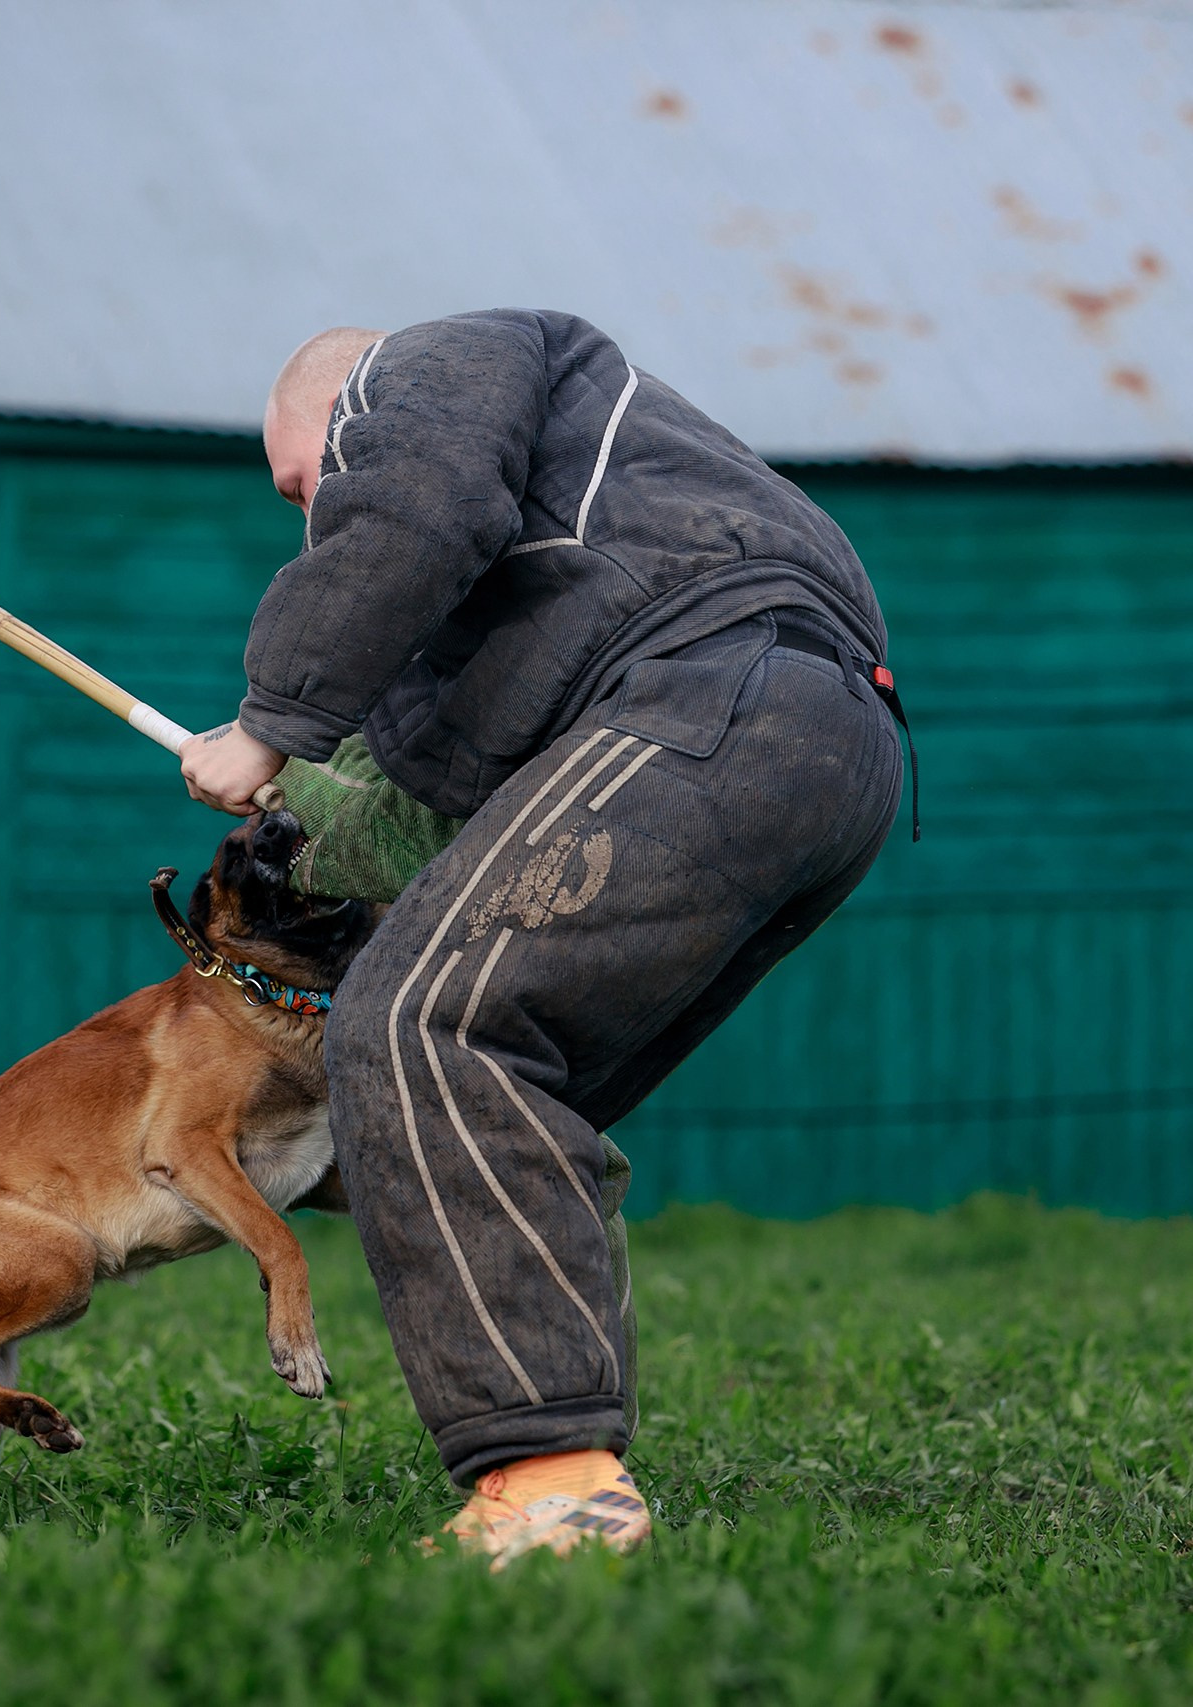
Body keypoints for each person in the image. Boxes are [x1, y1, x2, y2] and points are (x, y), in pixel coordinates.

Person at [180, 310, 904, 1569]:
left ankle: (555, 1482)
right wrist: (304, 796)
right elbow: (442, 803)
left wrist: (269, 717)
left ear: (331, 408)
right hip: (816, 751)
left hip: (709, 701)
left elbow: (407, 509)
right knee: (503, 1081)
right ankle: (573, 1469)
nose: (309, 515)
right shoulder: (565, 537)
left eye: (298, 481)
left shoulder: (435, 366)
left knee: (423, 1028)